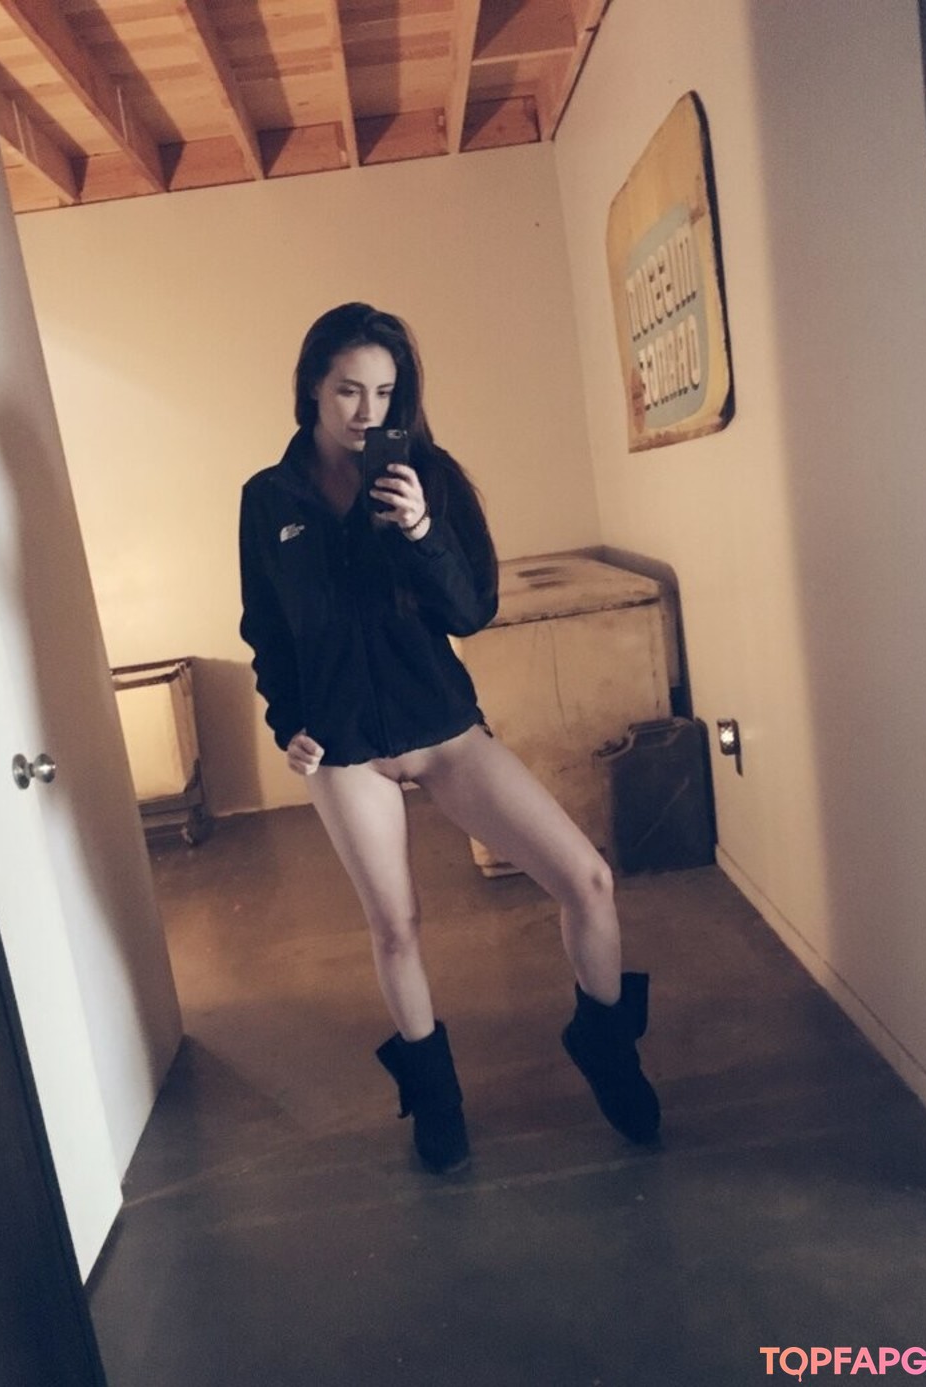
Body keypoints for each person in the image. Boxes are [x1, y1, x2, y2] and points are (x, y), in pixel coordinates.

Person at [239, 302, 660, 1173]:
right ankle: (435, 1094)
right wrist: (289, 723)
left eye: (384, 392)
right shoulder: (267, 500)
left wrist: (422, 530)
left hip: (443, 725)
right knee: (396, 926)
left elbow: (473, 610)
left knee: (587, 879)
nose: (367, 411)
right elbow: (267, 631)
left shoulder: (427, 475)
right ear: (312, 386)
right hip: (346, 747)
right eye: (348, 389)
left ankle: (606, 1042)